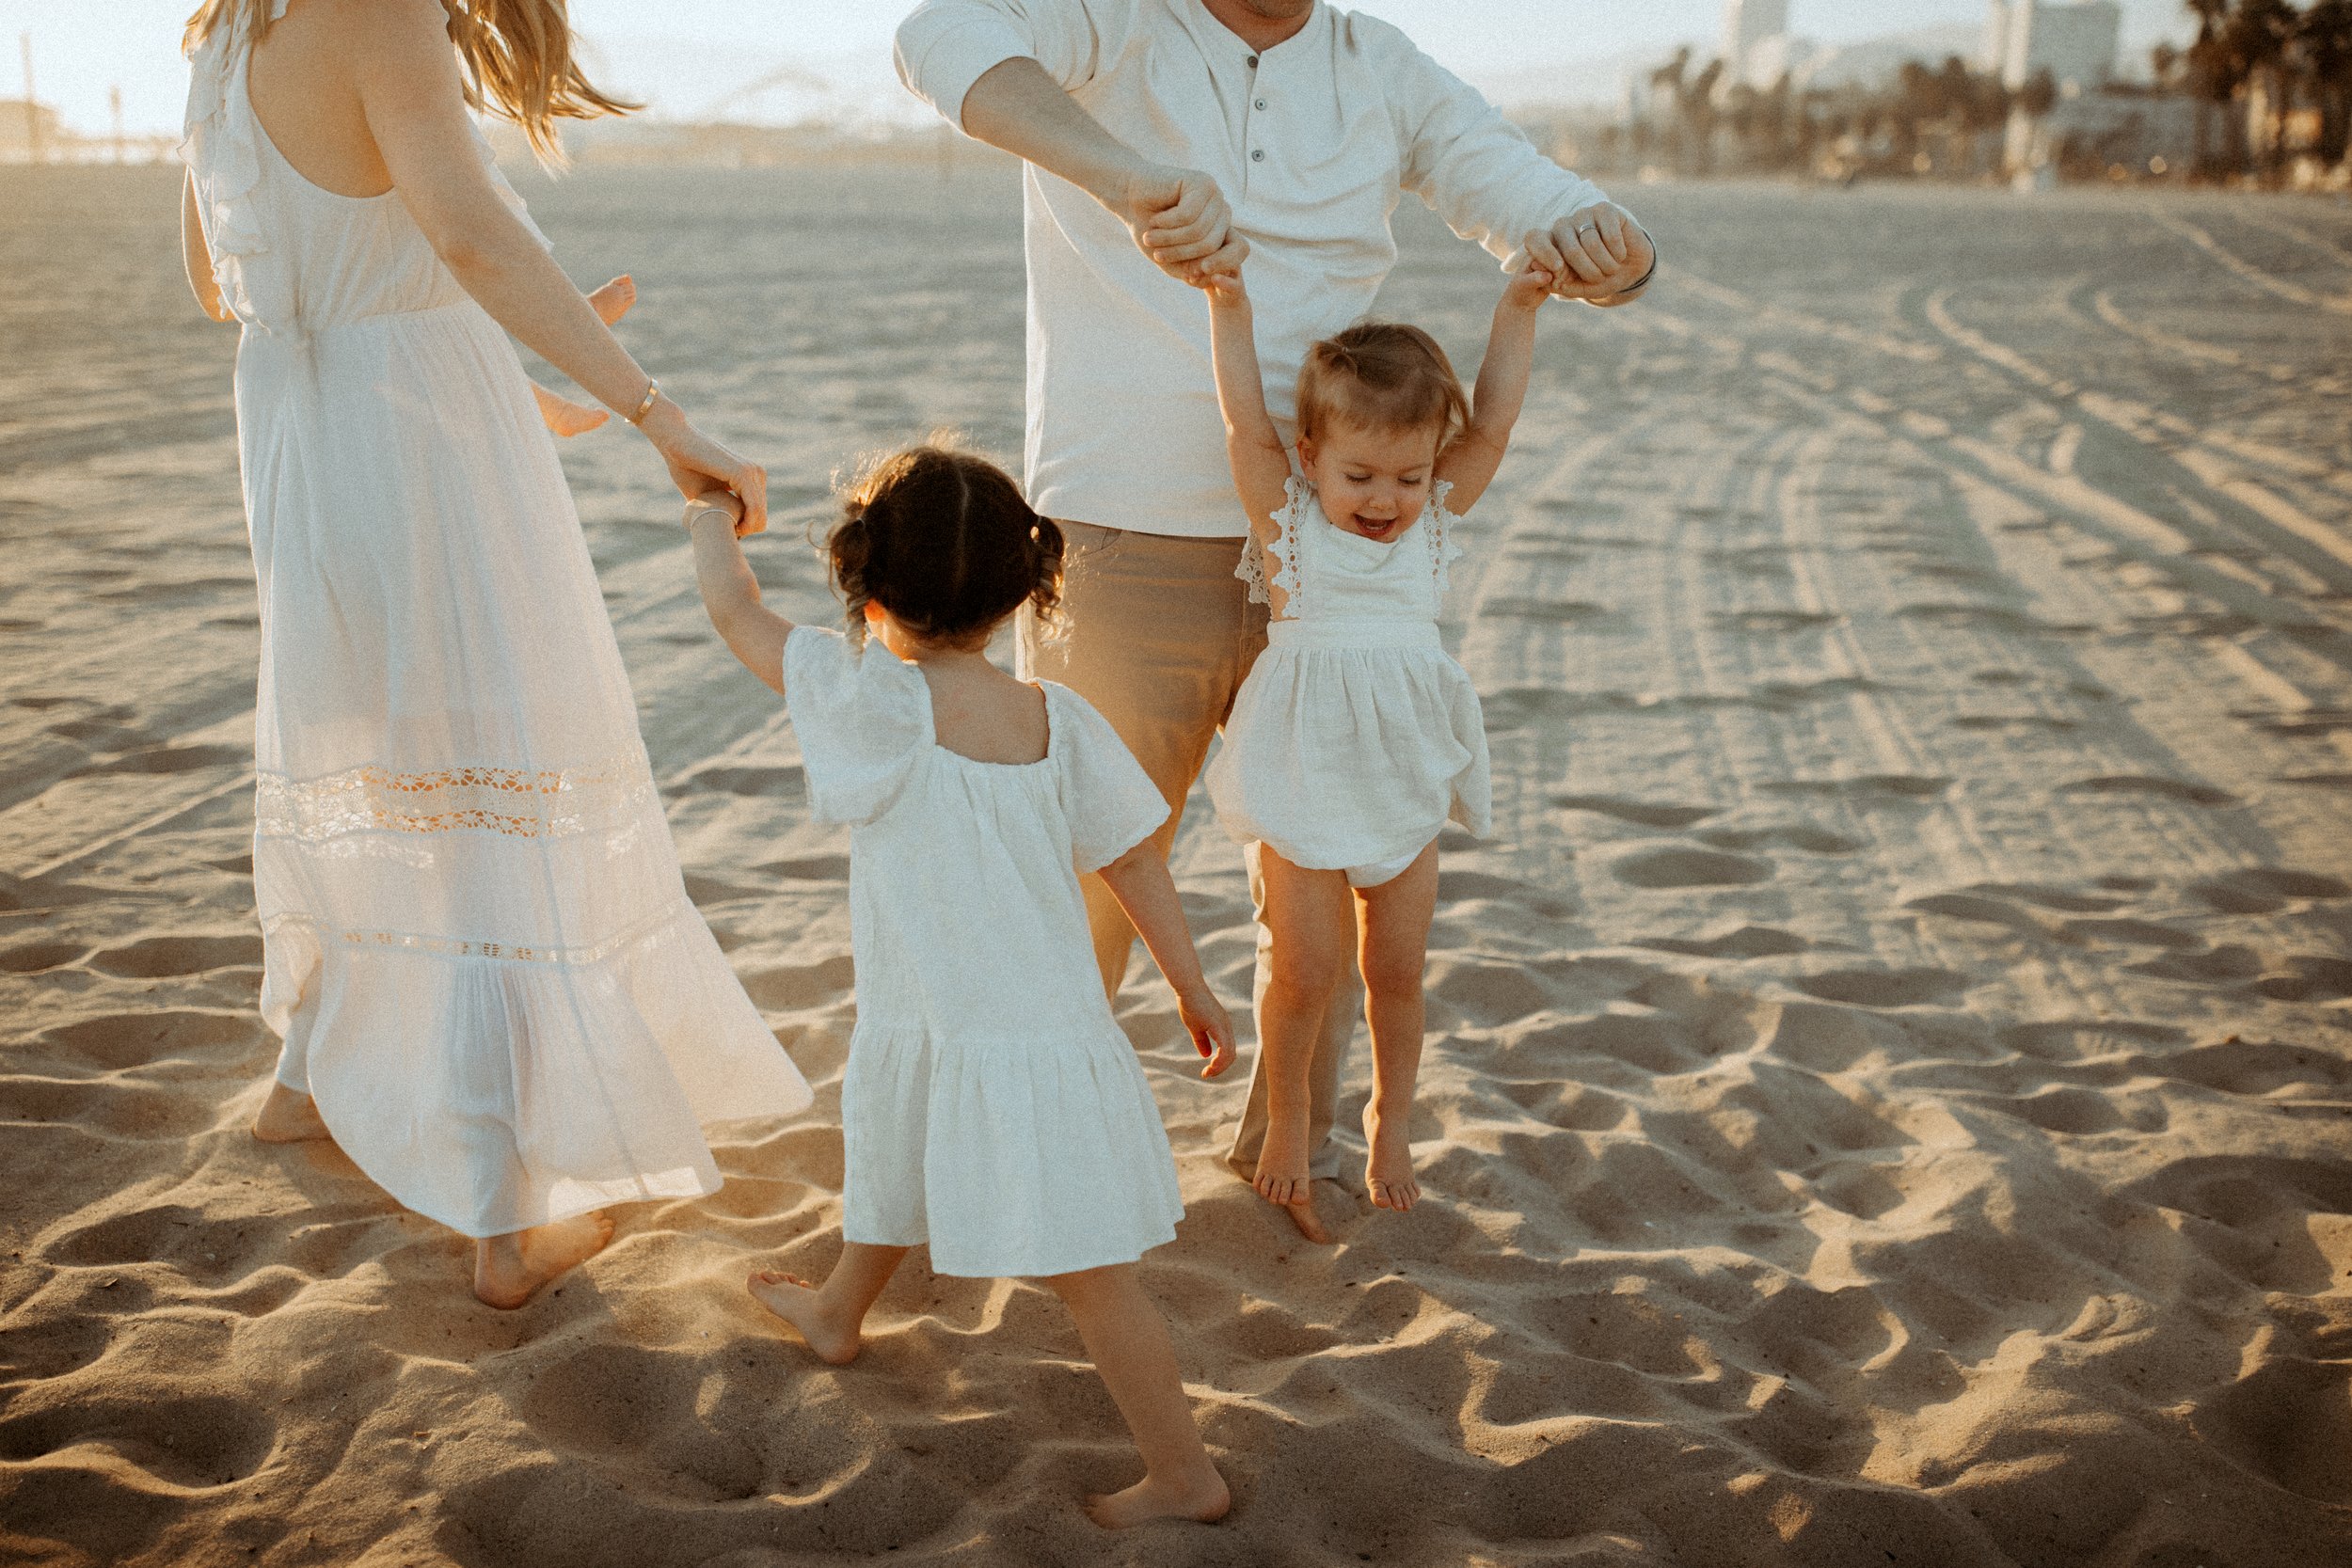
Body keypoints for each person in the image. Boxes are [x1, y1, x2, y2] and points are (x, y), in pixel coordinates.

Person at [893, 0, 1656, 1239]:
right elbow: (939, 37)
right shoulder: (1121, 19)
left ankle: (1284, 1158)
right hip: (1127, 527)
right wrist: (1130, 177)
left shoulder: (1376, 61)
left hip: (1337, 547)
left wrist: (1601, 245)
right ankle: (1012, 1153)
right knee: (1080, 866)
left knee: (1325, 878)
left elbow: (1508, 180)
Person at [179, 0, 810, 1308]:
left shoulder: (227, 31)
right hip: (416, 448)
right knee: (484, 764)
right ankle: (507, 1213)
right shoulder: (386, 13)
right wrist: (654, 409)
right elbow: (465, 232)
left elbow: (227, 280)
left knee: (369, 735)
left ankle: (304, 1076)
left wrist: (490, 373)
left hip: (305, 433)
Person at [679, 450, 1237, 1528]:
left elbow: (736, 613)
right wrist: (1192, 983)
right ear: (1024, 589)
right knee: (898, 1143)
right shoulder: (1056, 716)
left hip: (1000, 1033)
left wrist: (710, 511)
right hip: (990, 1020)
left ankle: (1185, 1472)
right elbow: (1135, 859)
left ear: (868, 587)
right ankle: (839, 1309)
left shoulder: (868, 698)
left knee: (1089, 1270)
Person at [1199, 245, 1553, 1216]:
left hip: (1399, 770)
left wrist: (1516, 307)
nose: (1386, 499)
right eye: (1360, 474)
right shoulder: (1290, 527)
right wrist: (1227, 307)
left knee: (1393, 970)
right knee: (1305, 969)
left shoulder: (1433, 518)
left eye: (1408, 474)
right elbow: (1242, 423)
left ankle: (1389, 1120)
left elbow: (1498, 421)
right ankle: (1284, 1117)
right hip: (1304, 768)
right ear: (1311, 459)